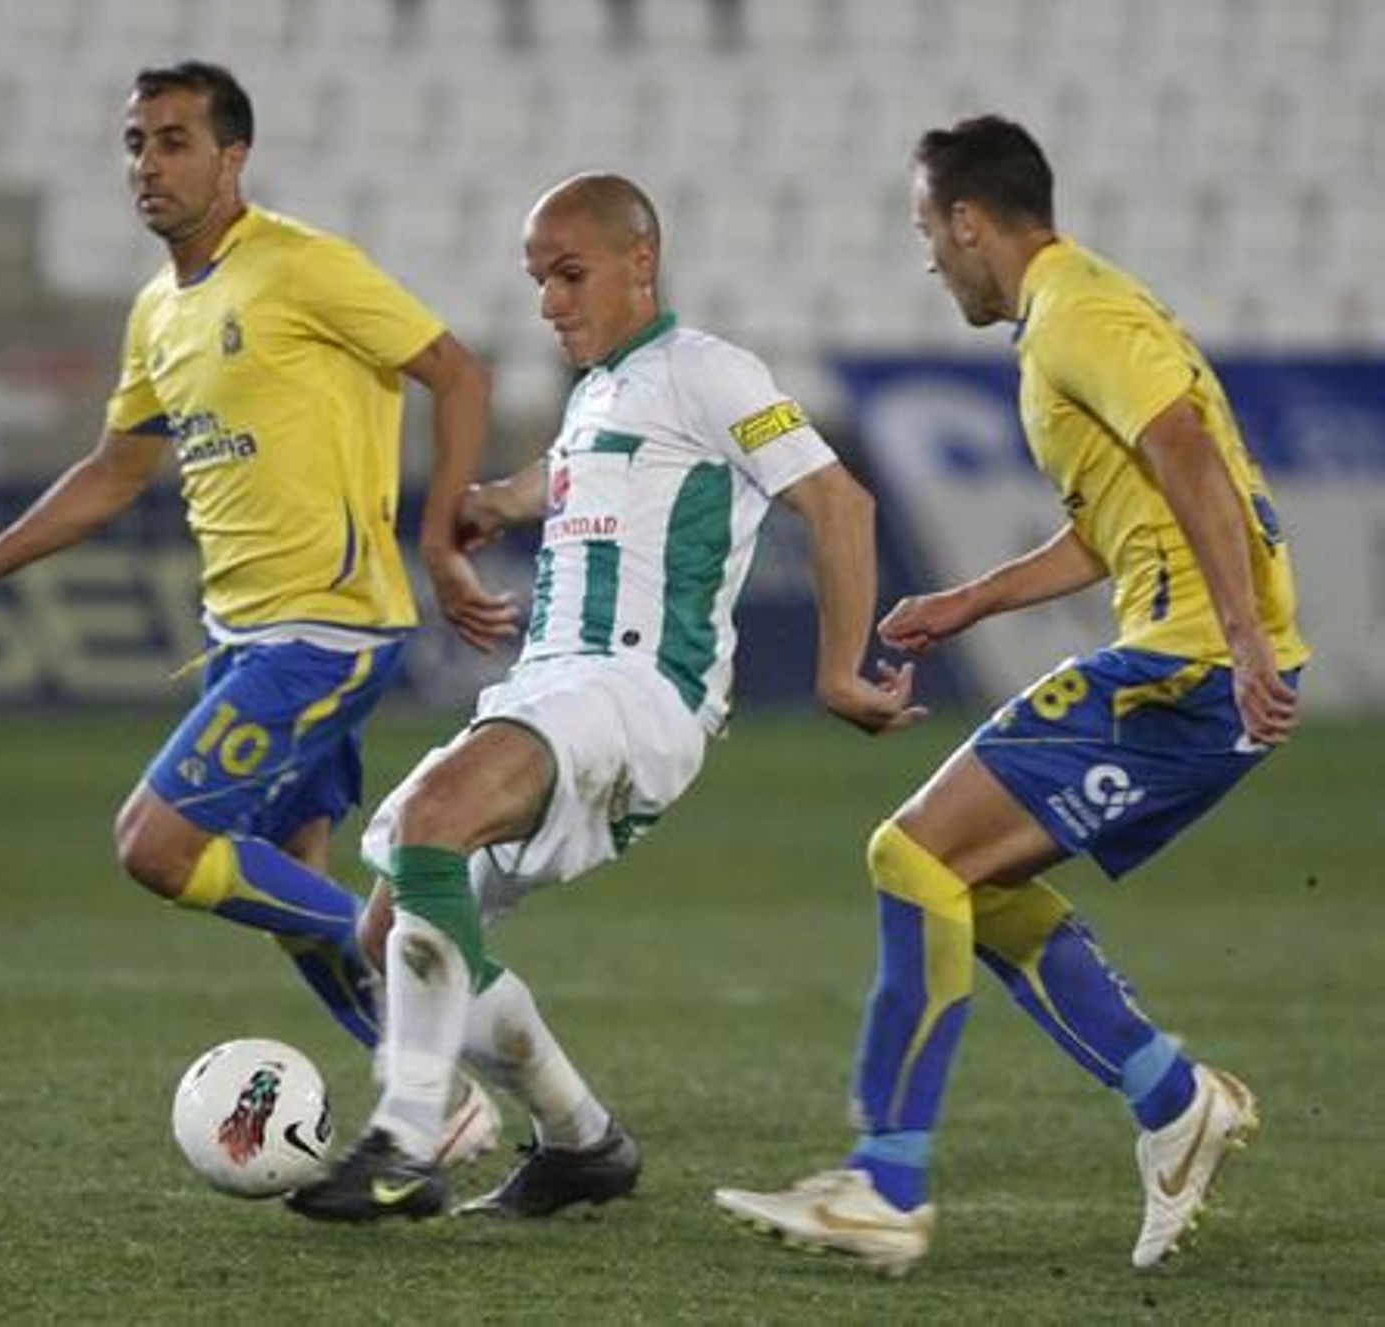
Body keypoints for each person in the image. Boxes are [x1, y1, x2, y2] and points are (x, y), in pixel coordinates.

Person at [0, 60, 518, 1164]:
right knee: (288, 883)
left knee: (159, 845)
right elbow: (112, 470)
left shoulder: (303, 266)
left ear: (233, 157)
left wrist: (436, 535)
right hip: (241, 641)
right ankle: (440, 1097)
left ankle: (418, 968)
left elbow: (458, 373)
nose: (148, 163)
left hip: (327, 628)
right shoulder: (158, 312)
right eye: (135, 141)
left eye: (174, 140)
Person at [714, 115, 1308, 1275]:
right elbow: (1113, 522)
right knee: (965, 885)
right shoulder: (1079, 313)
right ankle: (1171, 1096)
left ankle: (885, 1183)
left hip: (1187, 667)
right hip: (1191, 655)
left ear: (968, 222)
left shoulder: (1078, 315)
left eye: (925, 230)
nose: (926, 256)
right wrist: (967, 603)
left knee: (912, 857)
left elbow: (1187, 454)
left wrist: (1239, 636)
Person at [285, 170, 924, 1224]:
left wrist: (837, 668)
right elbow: (568, 476)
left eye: (569, 273)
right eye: (538, 280)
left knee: (435, 823)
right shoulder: (596, 396)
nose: (550, 301)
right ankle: (583, 1142)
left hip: (637, 689)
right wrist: (495, 501)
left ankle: (404, 1143)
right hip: (553, 686)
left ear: (641, 261)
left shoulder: (709, 373)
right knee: (386, 924)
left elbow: (839, 503)